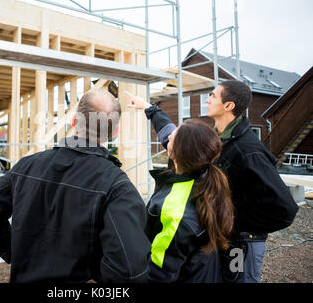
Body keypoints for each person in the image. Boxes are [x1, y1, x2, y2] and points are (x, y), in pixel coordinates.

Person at [0, 87, 151, 283]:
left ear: (74, 121)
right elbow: (131, 269)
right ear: (115, 131)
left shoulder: (26, 166)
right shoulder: (117, 186)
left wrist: (16, 253)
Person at [127, 92, 234, 282]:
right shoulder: (206, 173)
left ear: (176, 153)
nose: (168, 137)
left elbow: (159, 272)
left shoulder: (175, 211)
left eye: (172, 138)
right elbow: (165, 128)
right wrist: (148, 108)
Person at [204, 80, 298, 282]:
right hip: (223, 240)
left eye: (212, 96)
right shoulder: (218, 141)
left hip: (241, 245)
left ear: (228, 106)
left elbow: (285, 208)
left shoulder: (248, 150)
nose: (207, 100)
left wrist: (234, 222)